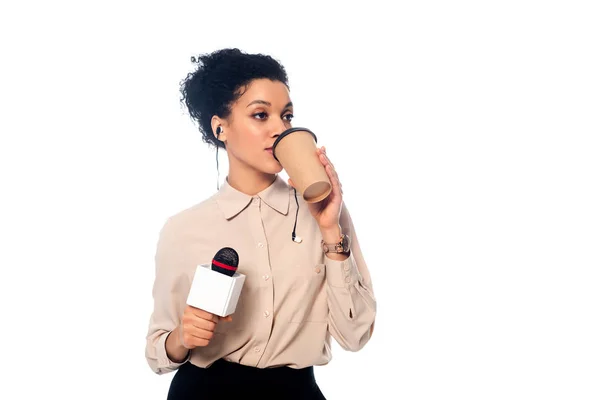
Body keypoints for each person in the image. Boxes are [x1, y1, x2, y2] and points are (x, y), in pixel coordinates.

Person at [145, 48, 377, 399]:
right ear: (220, 127)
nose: (279, 130)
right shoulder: (183, 229)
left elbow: (355, 335)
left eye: (286, 116)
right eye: (260, 115)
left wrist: (330, 229)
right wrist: (182, 337)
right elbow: (158, 352)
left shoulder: (324, 212)